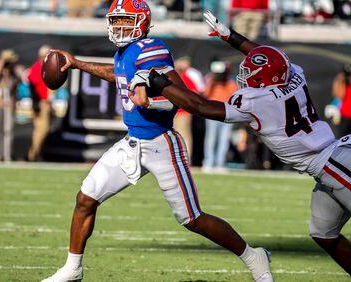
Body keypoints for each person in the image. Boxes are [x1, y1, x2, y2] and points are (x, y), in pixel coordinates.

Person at [129, 11, 351, 281]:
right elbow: (268, 56)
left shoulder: (257, 100)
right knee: (324, 233)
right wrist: (231, 37)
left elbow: (202, 107)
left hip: (336, 167)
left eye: (253, 73)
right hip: (329, 163)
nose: (248, 74)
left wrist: (158, 81)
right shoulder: (292, 72)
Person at [42, 2, 272, 282]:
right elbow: (119, 76)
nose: (119, 27)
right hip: (132, 143)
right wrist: (77, 64)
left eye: (126, 21)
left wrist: (150, 100)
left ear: (141, 22)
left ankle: (252, 256)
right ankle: (73, 269)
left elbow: (179, 99)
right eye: (116, 21)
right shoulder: (126, 52)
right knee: (85, 199)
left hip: (161, 143)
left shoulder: (151, 49)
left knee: (193, 219)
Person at [0, 49, 24, 162]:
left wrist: (14, 67)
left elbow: (22, 77)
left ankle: (7, 154)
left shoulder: (14, 69)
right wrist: (0, 64)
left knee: (8, 130)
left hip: (9, 104)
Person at [202, 60, 237, 171]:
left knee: (224, 139)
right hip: (212, 114)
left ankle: (220, 163)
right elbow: (205, 94)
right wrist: (212, 82)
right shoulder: (211, 82)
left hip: (226, 115)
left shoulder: (230, 83)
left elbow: (234, 97)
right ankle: (208, 162)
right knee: (211, 139)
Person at [173, 56, 205, 161]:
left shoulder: (186, 78)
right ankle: (179, 158)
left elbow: (195, 92)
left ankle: (186, 159)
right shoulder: (175, 77)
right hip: (175, 111)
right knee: (177, 135)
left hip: (183, 111)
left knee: (184, 135)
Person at [27, 45, 53, 162]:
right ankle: (33, 153)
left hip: (44, 102)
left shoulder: (44, 67)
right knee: (41, 130)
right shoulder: (37, 67)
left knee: (42, 130)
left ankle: (37, 153)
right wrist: (35, 103)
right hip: (40, 102)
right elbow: (32, 85)